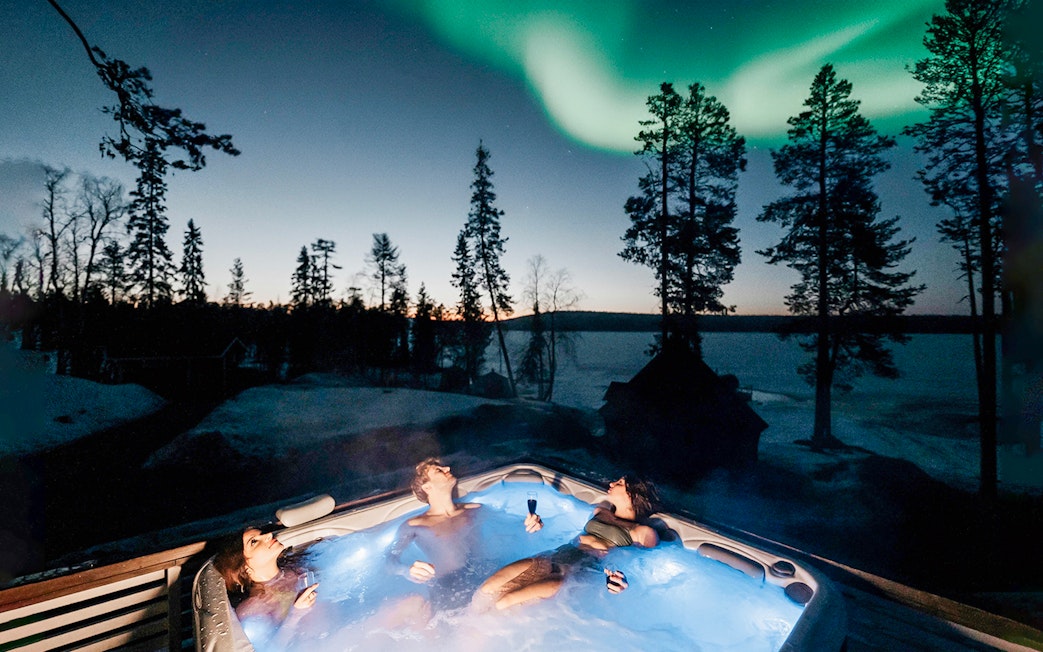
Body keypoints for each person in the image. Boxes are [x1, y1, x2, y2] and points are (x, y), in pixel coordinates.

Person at [474, 474, 659, 611]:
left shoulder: (643, 532)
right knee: (487, 589)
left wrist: (620, 581)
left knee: (504, 603)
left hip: (573, 572)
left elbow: (642, 567)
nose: (611, 484)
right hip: (552, 556)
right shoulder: (600, 511)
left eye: (619, 483)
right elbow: (569, 533)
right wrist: (538, 527)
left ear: (633, 495)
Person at [385, 457, 542, 610]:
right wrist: (406, 571)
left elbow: (508, 529)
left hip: (488, 573)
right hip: (450, 586)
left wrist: (530, 525)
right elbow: (389, 560)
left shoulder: (476, 509)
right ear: (427, 487)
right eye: (439, 470)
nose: (448, 469)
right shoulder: (415, 525)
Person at [213, 527, 319, 649]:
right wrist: (296, 614)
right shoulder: (251, 610)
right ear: (244, 568)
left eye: (261, 533)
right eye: (254, 541)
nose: (268, 534)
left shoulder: (298, 569)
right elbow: (271, 649)